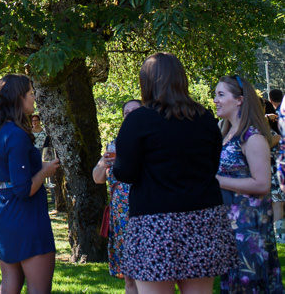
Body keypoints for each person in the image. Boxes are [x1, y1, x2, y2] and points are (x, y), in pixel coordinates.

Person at [113, 53, 235, 293]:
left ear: (147, 82)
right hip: (203, 219)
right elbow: (212, 165)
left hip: (154, 221)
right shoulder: (204, 118)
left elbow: (124, 173)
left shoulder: (139, 120)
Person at [0, 74, 58, 294]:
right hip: (25, 217)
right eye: (31, 93)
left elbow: (8, 173)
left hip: (3, 214)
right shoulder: (16, 135)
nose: (34, 98)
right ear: (19, 98)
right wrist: (45, 171)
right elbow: (23, 189)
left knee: (9, 286)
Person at [214, 75, 283, 292]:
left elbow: (262, 184)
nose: (215, 100)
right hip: (229, 230)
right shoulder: (225, 135)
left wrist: (217, 181)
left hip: (249, 233)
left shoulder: (251, 137)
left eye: (221, 94)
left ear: (240, 100)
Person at [92, 99, 142, 294]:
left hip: (142, 213)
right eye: (126, 112)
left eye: (134, 111)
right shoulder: (114, 145)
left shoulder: (150, 143)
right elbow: (97, 179)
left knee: (146, 275)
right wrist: (103, 163)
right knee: (129, 278)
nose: (129, 115)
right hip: (120, 219)